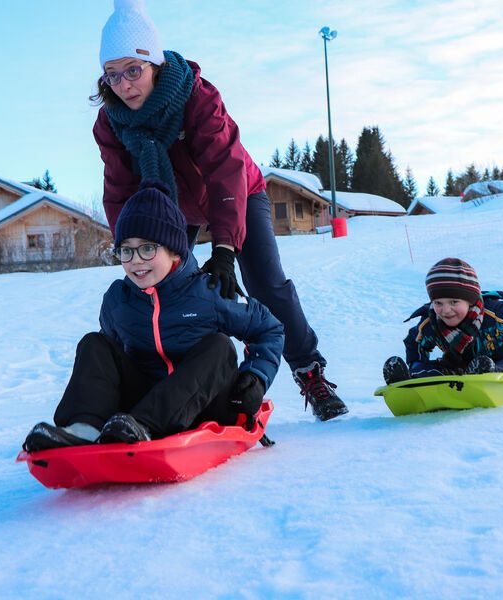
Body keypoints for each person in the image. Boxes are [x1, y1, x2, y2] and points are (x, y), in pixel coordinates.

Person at [89, 0, 347, 421]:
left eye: (133, 70)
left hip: (238, 193)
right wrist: (132, 249)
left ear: (153, 64)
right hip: (171, 213)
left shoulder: (196, 96)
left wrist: (225, 250)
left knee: (265, 283)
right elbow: (120, 191)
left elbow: (226, 170)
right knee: (170, 292)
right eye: (112, 75)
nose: (123, 85)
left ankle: (309, 370)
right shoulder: (110, 123)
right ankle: (177, 387)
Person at [22, 179, 284, 452]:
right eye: (126, 250)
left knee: (220, 347)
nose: (135, 260)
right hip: (137, 412)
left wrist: (256, 377)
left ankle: (144, 427)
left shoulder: (209, 291)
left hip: (207, 406)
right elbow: (106, 367)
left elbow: (269, 329)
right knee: (95, 344)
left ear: (174, 251)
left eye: (147, 248)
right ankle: (84, 428)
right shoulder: (118, 300)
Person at [382, 258, 503, 385]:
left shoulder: (496, 314)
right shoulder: (431, 322)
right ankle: (409, 379)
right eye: (438, 303)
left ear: (470, 301)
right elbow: (414, 341)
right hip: (455, 369)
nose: (445, 310)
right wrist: (416, 364)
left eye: (454, 302)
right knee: (431, 370)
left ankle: (487, 373)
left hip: (500, 362)